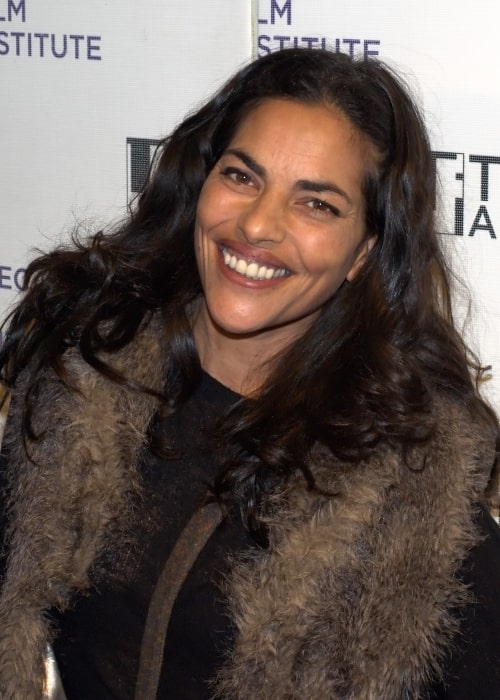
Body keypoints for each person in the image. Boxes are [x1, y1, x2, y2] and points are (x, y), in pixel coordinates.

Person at [0, 47, 499, 700]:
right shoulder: (82, 377)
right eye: (242, 176)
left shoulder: (416, 501)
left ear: (364, 253)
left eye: (316, 204)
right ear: (201, 183)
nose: (259, 224)